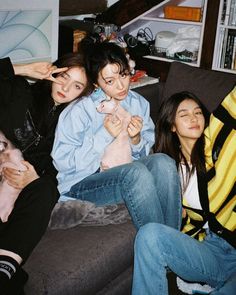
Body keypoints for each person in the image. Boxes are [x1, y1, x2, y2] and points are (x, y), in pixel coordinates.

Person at [52, 42, 180, 230]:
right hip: (80, 184)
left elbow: (146, 152)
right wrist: (105, 135)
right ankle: (161, 248)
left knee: (163, 162)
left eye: (124, 75)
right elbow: (64, 163)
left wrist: (136, 140)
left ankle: (172, 243)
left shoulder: (138, 104)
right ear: (96, 83)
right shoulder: (79, 111)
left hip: (121, 172)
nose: (121, 86)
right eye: (110, 81)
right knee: (135, 173)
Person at [0, 53, 93, 295]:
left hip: (17, 192)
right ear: (53, 72)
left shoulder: (69, 126)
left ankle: (5, 267)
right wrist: (24, 69)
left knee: (46, 189)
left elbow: (58, 172)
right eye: (64, 77)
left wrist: (33, 179)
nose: (66, 88)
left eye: (77, 86)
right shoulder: (18, 91)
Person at [132, 90, 236, 295]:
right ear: (171, 125)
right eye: (184, 114)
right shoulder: (169, 169)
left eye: (198, 112)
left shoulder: (219, 145)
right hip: (213, 250)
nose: (194, 118)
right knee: (149, 235)